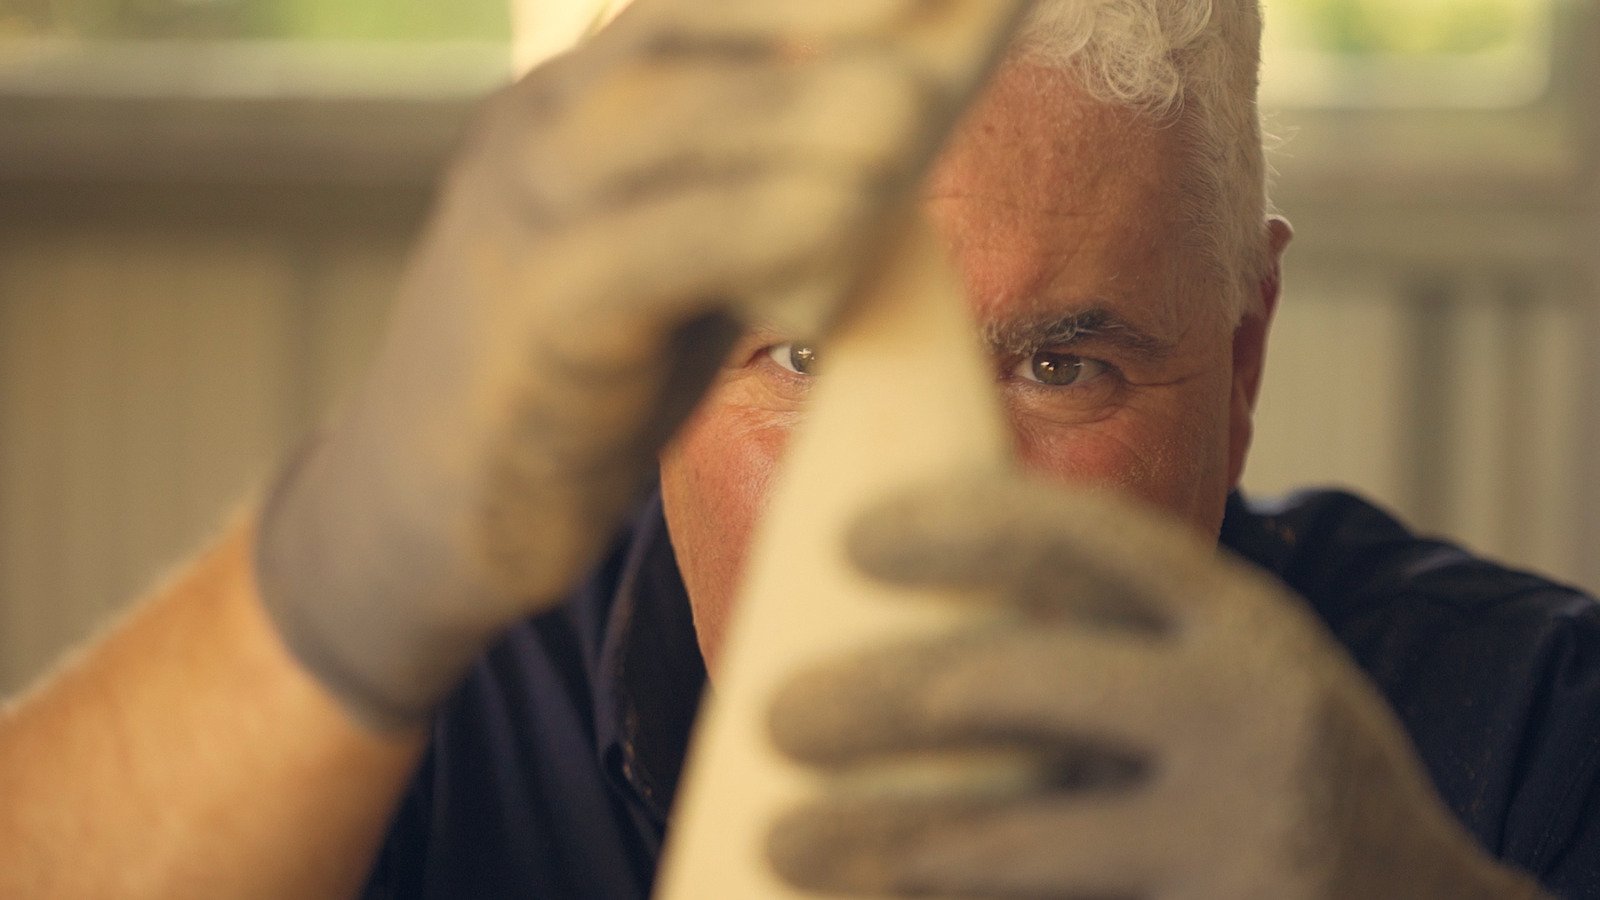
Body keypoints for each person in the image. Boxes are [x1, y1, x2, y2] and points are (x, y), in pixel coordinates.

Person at [1, 0, 1594, 897]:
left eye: (1064, 363)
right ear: (672, 366)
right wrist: (342, 576)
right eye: (814, 353)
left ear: (1242, 364)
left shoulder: (1520, 739)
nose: (926, 489)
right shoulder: (440, 730)